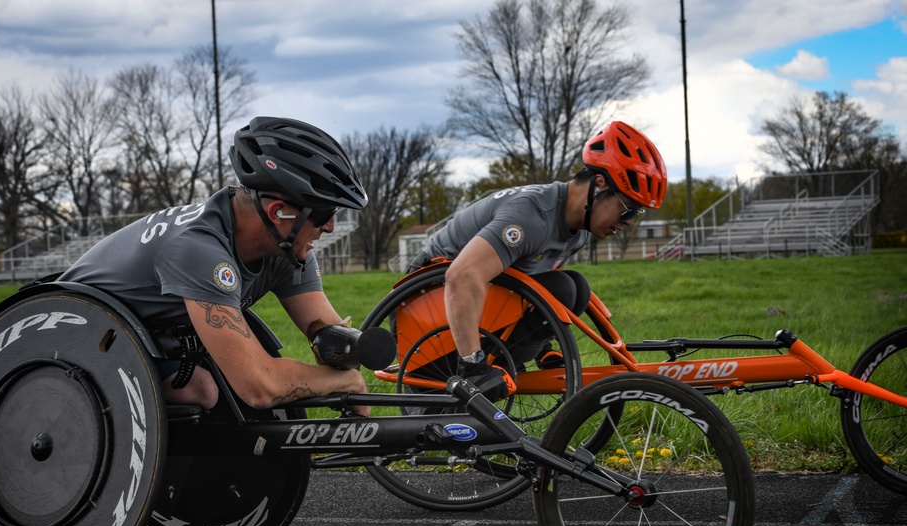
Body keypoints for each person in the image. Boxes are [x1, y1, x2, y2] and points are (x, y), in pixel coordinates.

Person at [60, 116, 372, 415]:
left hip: (135, 342)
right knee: (202, 388)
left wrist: (370, 353)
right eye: (324, 214)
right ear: (279, 213)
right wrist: (341, 383)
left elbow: (328, 339)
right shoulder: (200, 250)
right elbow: (258, 385)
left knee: (204, 387)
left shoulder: (286, 247)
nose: (331, 226)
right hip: (67, 344)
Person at [406, 120, 667, 399]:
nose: (628, 223)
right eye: (628, 209)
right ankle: (476, 371)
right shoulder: (532, 216)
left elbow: (532, 286)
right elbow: (461, 276)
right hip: (424, 315)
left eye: (636, 215)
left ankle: (511, 362)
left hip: (464, 306)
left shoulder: (577, 232)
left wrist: (544, 348)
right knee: (564, 288)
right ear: (599, 185)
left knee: (574, 287)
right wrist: (474, 368)